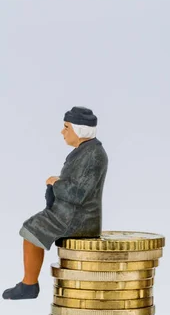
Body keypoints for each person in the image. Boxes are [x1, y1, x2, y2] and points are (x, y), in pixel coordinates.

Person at [2, 106, 108, 300]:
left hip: (78, 218)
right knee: (31, 228)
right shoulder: (85, 151)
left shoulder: (93, 155)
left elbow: (79, 193)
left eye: (66, 127)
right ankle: (28, 283)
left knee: (32, 229)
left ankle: (29, 285)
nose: (62, 132)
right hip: (70, 212)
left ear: (80, 130)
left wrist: (56, 183)